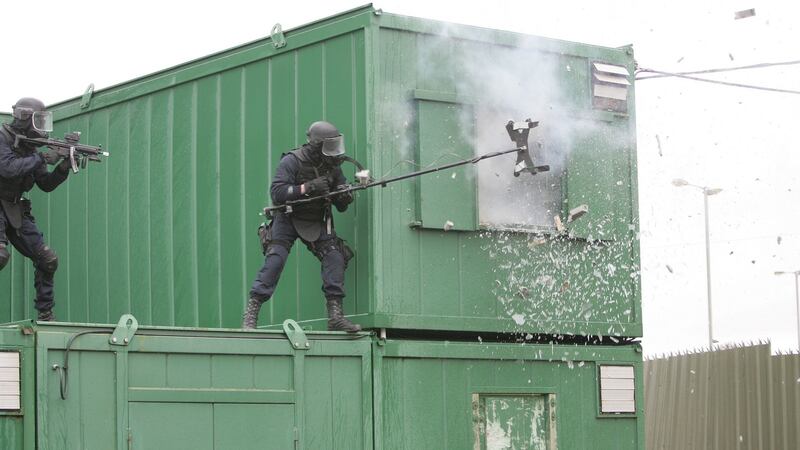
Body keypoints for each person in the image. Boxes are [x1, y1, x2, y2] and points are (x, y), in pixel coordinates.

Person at [243, 121, 361, 332]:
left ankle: (335, 317)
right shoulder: (292, 160)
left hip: (316, 220)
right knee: (275, 260)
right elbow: (277, 193)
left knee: (335, 258)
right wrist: (307, 187)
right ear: (316, 145)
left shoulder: (334, 166)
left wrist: (344, 196)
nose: (334, 152)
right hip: (287, 218)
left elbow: (341, 206)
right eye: (329, 146)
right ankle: (250, 316)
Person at [0, 97, 72, 321]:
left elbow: (46, 184)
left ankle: (45, 314)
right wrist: (41, 157)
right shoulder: (1, 138)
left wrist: (63, 166)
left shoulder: (31, 147)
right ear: (23, 117)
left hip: (14, 207)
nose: (41, 127)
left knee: (47, 259)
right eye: (37, 120)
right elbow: (8, 168)